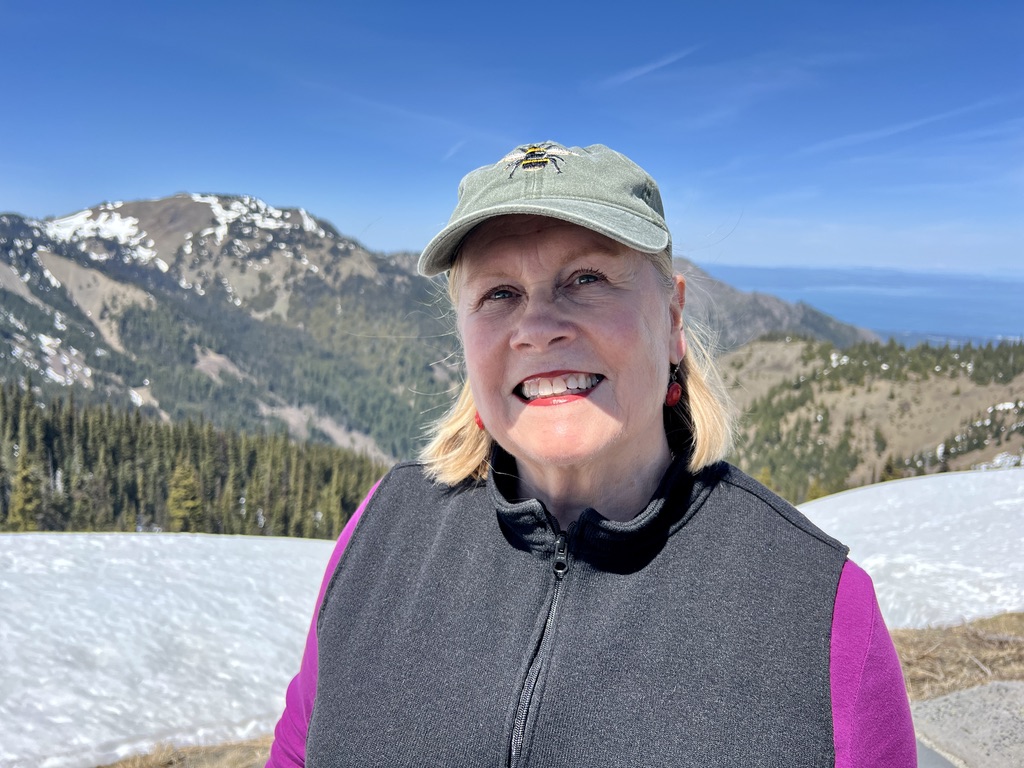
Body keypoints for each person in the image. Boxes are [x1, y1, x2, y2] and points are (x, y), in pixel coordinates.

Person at [268, 142, 916, 767]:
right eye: (498, 294)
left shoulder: (817, 605)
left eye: (587, 278)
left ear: (672, 318)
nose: (537, 327)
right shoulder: (385, 527)